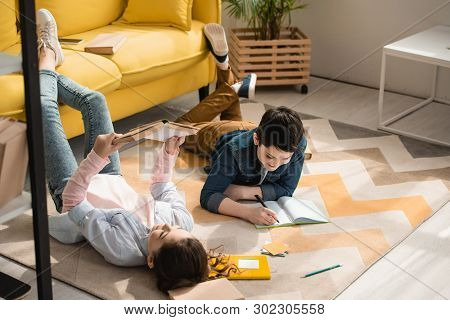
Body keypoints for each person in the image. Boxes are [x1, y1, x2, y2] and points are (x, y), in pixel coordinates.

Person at [36, 9, 208, 292]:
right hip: (111, 176)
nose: (163, 226)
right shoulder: (182, 224)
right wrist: (168, 153)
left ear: (151, 260)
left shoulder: (121, 249)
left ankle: (45, 57)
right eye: (172, 228)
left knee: (43, 109)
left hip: (71, 190)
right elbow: (162, 186)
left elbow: (75, 202)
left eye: (161, 236)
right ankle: (49, 63)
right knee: (95, 101)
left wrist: (96, 156)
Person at [173, 24, 307, 226]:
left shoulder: (295, 143)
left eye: (284, 159)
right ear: (257, 139)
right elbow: (208, 196)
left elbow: (287, 189)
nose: (274, 164)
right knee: (177, 130)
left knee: (232, 115)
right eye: (270, 156)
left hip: (250, 129)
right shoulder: (233, 151)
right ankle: (232, 90)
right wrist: (248, 213)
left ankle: (226, 70)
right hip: (220, 136)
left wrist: (243, 191)